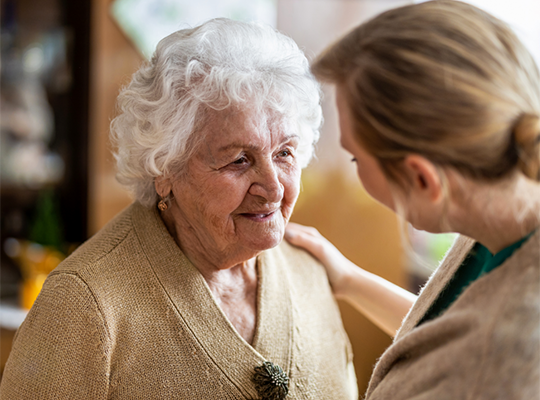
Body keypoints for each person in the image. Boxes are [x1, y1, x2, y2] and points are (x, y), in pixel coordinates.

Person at [0, 19, 358, 399]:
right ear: (164, 169)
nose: (272, 187)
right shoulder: (83, 305)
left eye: (284, 153)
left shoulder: (309, 272)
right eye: (239, 160)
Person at [286, 1, 540, 398]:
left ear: (422, 178)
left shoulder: (508, 365)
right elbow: (451, 337)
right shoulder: (503, 206)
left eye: (355, 157)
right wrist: (349, 279)